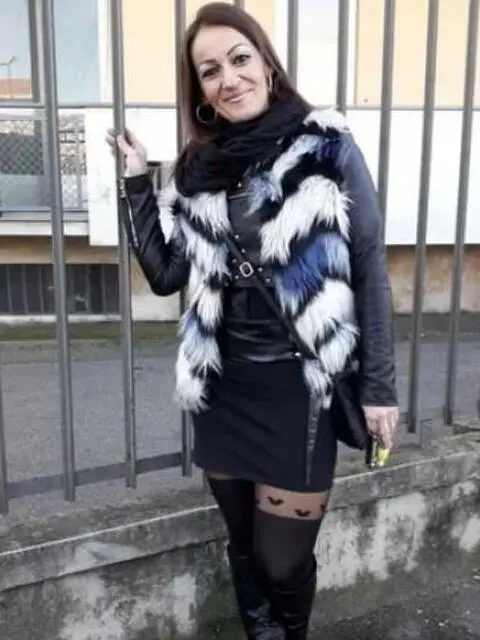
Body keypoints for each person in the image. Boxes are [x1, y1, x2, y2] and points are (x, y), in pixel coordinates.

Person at [106, 3, 399, 637]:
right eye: (210, 70)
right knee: (242, 546)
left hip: (300, 390)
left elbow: (369, 267)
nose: (228, 78)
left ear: (266, 63)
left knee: (281, 559)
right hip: (225, 387)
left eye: (239, 59)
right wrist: (135, 182)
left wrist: (379, 388)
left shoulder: (325, 145)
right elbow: (166, 275)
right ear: (200, 89)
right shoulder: (197, 169)